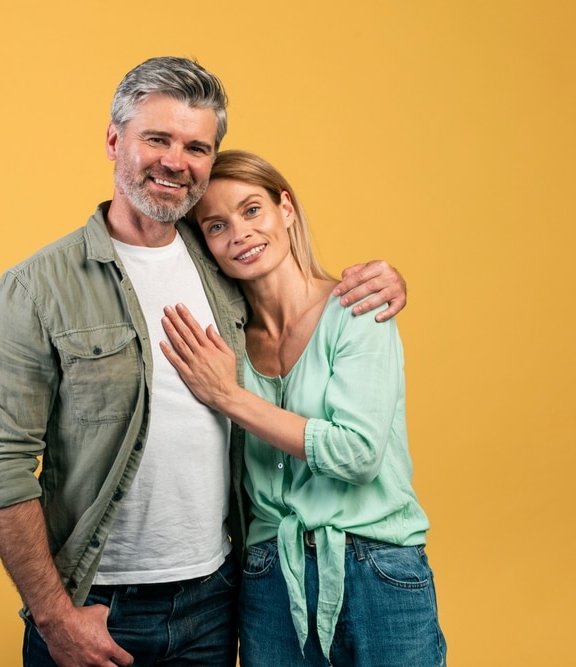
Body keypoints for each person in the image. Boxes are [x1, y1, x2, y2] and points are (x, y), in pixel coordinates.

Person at [0, 57, 408, 667]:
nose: (176, 160)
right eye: (157, 138)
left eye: (197, 146)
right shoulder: (39, 286)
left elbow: (296, 292)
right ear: (114, 139)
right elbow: (0, 462)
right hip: (97, 603)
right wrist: (53, 615)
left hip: (219, 597)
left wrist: (382, 279)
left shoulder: (222, 262)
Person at [161, 149, 446, 666]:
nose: (240, 234)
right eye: (217, 226)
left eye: (252, 210)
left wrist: (230, 397)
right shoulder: (223, 344)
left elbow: (357, 454)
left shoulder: (357, 308)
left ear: (285, 209)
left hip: (375, 566)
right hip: (269, 578)